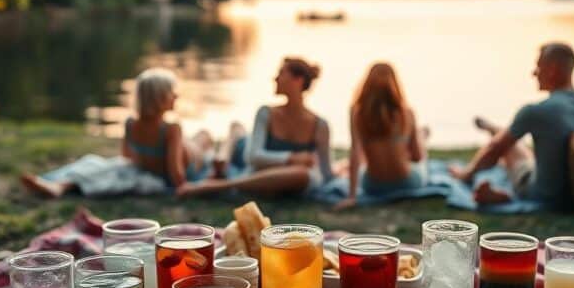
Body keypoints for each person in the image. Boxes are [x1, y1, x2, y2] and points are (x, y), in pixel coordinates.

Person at [449, 42, 574, 211]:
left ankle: (494, 131)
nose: (534, 73)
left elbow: (494, 150)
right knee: (524, 152)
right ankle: (493, 128)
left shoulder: (536, 111)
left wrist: (465, 175)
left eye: (538, 67)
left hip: (546, 196)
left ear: (552, 69)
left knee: (510, 148)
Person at [21, 68, 220, 197]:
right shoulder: (171, 129)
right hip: (194, 164)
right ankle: (60, 187)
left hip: (167, 161)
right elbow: (177, 176)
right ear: (159, 98)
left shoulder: (130, 124)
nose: (176, 95)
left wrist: (148, 162)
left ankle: (60, 184)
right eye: (171, 91)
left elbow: (127, 158)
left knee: (202, 136)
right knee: (204, 137)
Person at [177, 57, 334, 197]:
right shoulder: (266, 113)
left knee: (302, 175)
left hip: (275, 173)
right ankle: (225, 156)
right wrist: (292, 158)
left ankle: (220, 184)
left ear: (298, 80)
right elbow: (252, 157)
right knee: (238, 133)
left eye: (281, 73)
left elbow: (326, 173)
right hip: (245, 154)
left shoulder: (320, 125)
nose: (275, 78)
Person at [335, 62, 427, 210]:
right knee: (421, 161)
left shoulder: (357, 112)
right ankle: (423, 135)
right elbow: (417, 157)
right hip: (407, 183)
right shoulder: (406, 113)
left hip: (373, 185)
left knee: (360, 163)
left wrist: (352, 197)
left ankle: (421, 135)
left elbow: (355, 153)